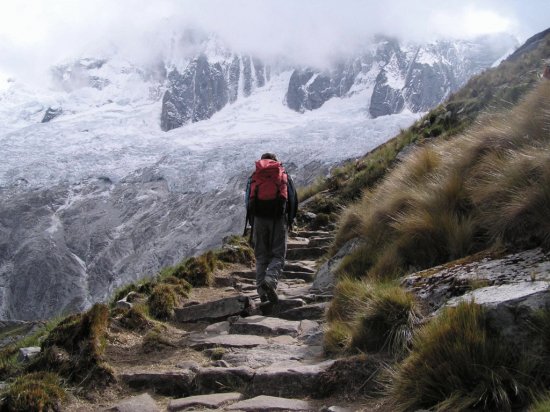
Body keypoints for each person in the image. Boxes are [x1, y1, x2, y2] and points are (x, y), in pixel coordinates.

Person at [244, 153, 298, 304]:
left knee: (261, 257)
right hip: (278, 219)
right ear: (276, 161)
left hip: (259, 220)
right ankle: (270, 280)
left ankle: (262, 292)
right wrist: (291, 219)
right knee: (278, 255)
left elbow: (248, 200)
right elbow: (292, 198)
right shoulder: (282, 174)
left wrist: (252, 222)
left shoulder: (255, 176)